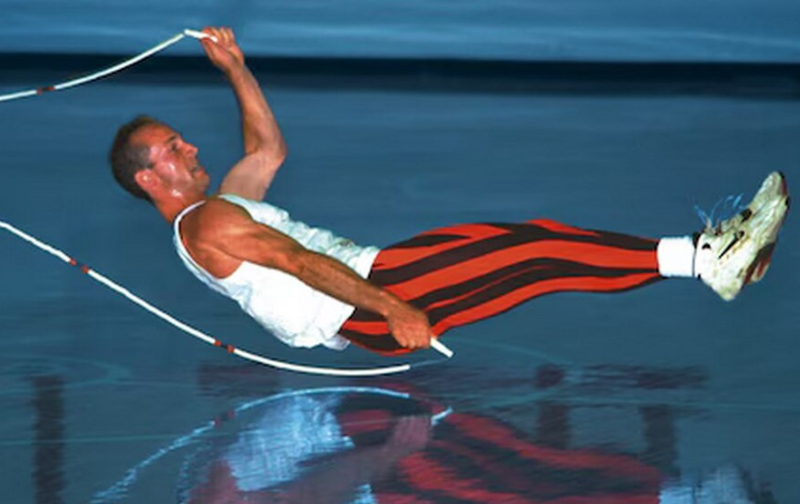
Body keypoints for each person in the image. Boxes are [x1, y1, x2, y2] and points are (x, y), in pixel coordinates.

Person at [108, 27, 791, 356]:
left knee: (537, 245)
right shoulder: (206, 228)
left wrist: (234, 66)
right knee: (540, 252)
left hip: (378, 277)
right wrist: (394, 307)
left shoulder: (219, 208)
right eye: (173, 148)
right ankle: (708, 259)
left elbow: (267, 150)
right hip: (372, 298)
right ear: (149, 178)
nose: (189, 147)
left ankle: (713, 257)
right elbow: (297, 262)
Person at [129, 384, 786, 504]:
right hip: (365, 419)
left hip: (368, 442)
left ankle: (698, 502)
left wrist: (389, 454)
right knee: (535, 468)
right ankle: (702, 493)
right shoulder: (201, 501)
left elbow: (305, 492)